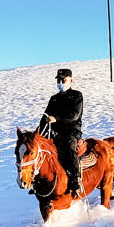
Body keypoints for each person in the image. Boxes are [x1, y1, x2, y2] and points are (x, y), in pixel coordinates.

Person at [38, 67, 83, 196]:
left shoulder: (76, 95)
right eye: (58, 80)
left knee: (69, 147)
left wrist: (56, 118)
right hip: (54, 132)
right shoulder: (54, 98)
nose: (61, 83)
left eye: (63, 80)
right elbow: (45, 116)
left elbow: (74, 115)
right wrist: (37, 134)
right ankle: (39, 181)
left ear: (70, 80)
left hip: (71, 131)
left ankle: (76, 180)